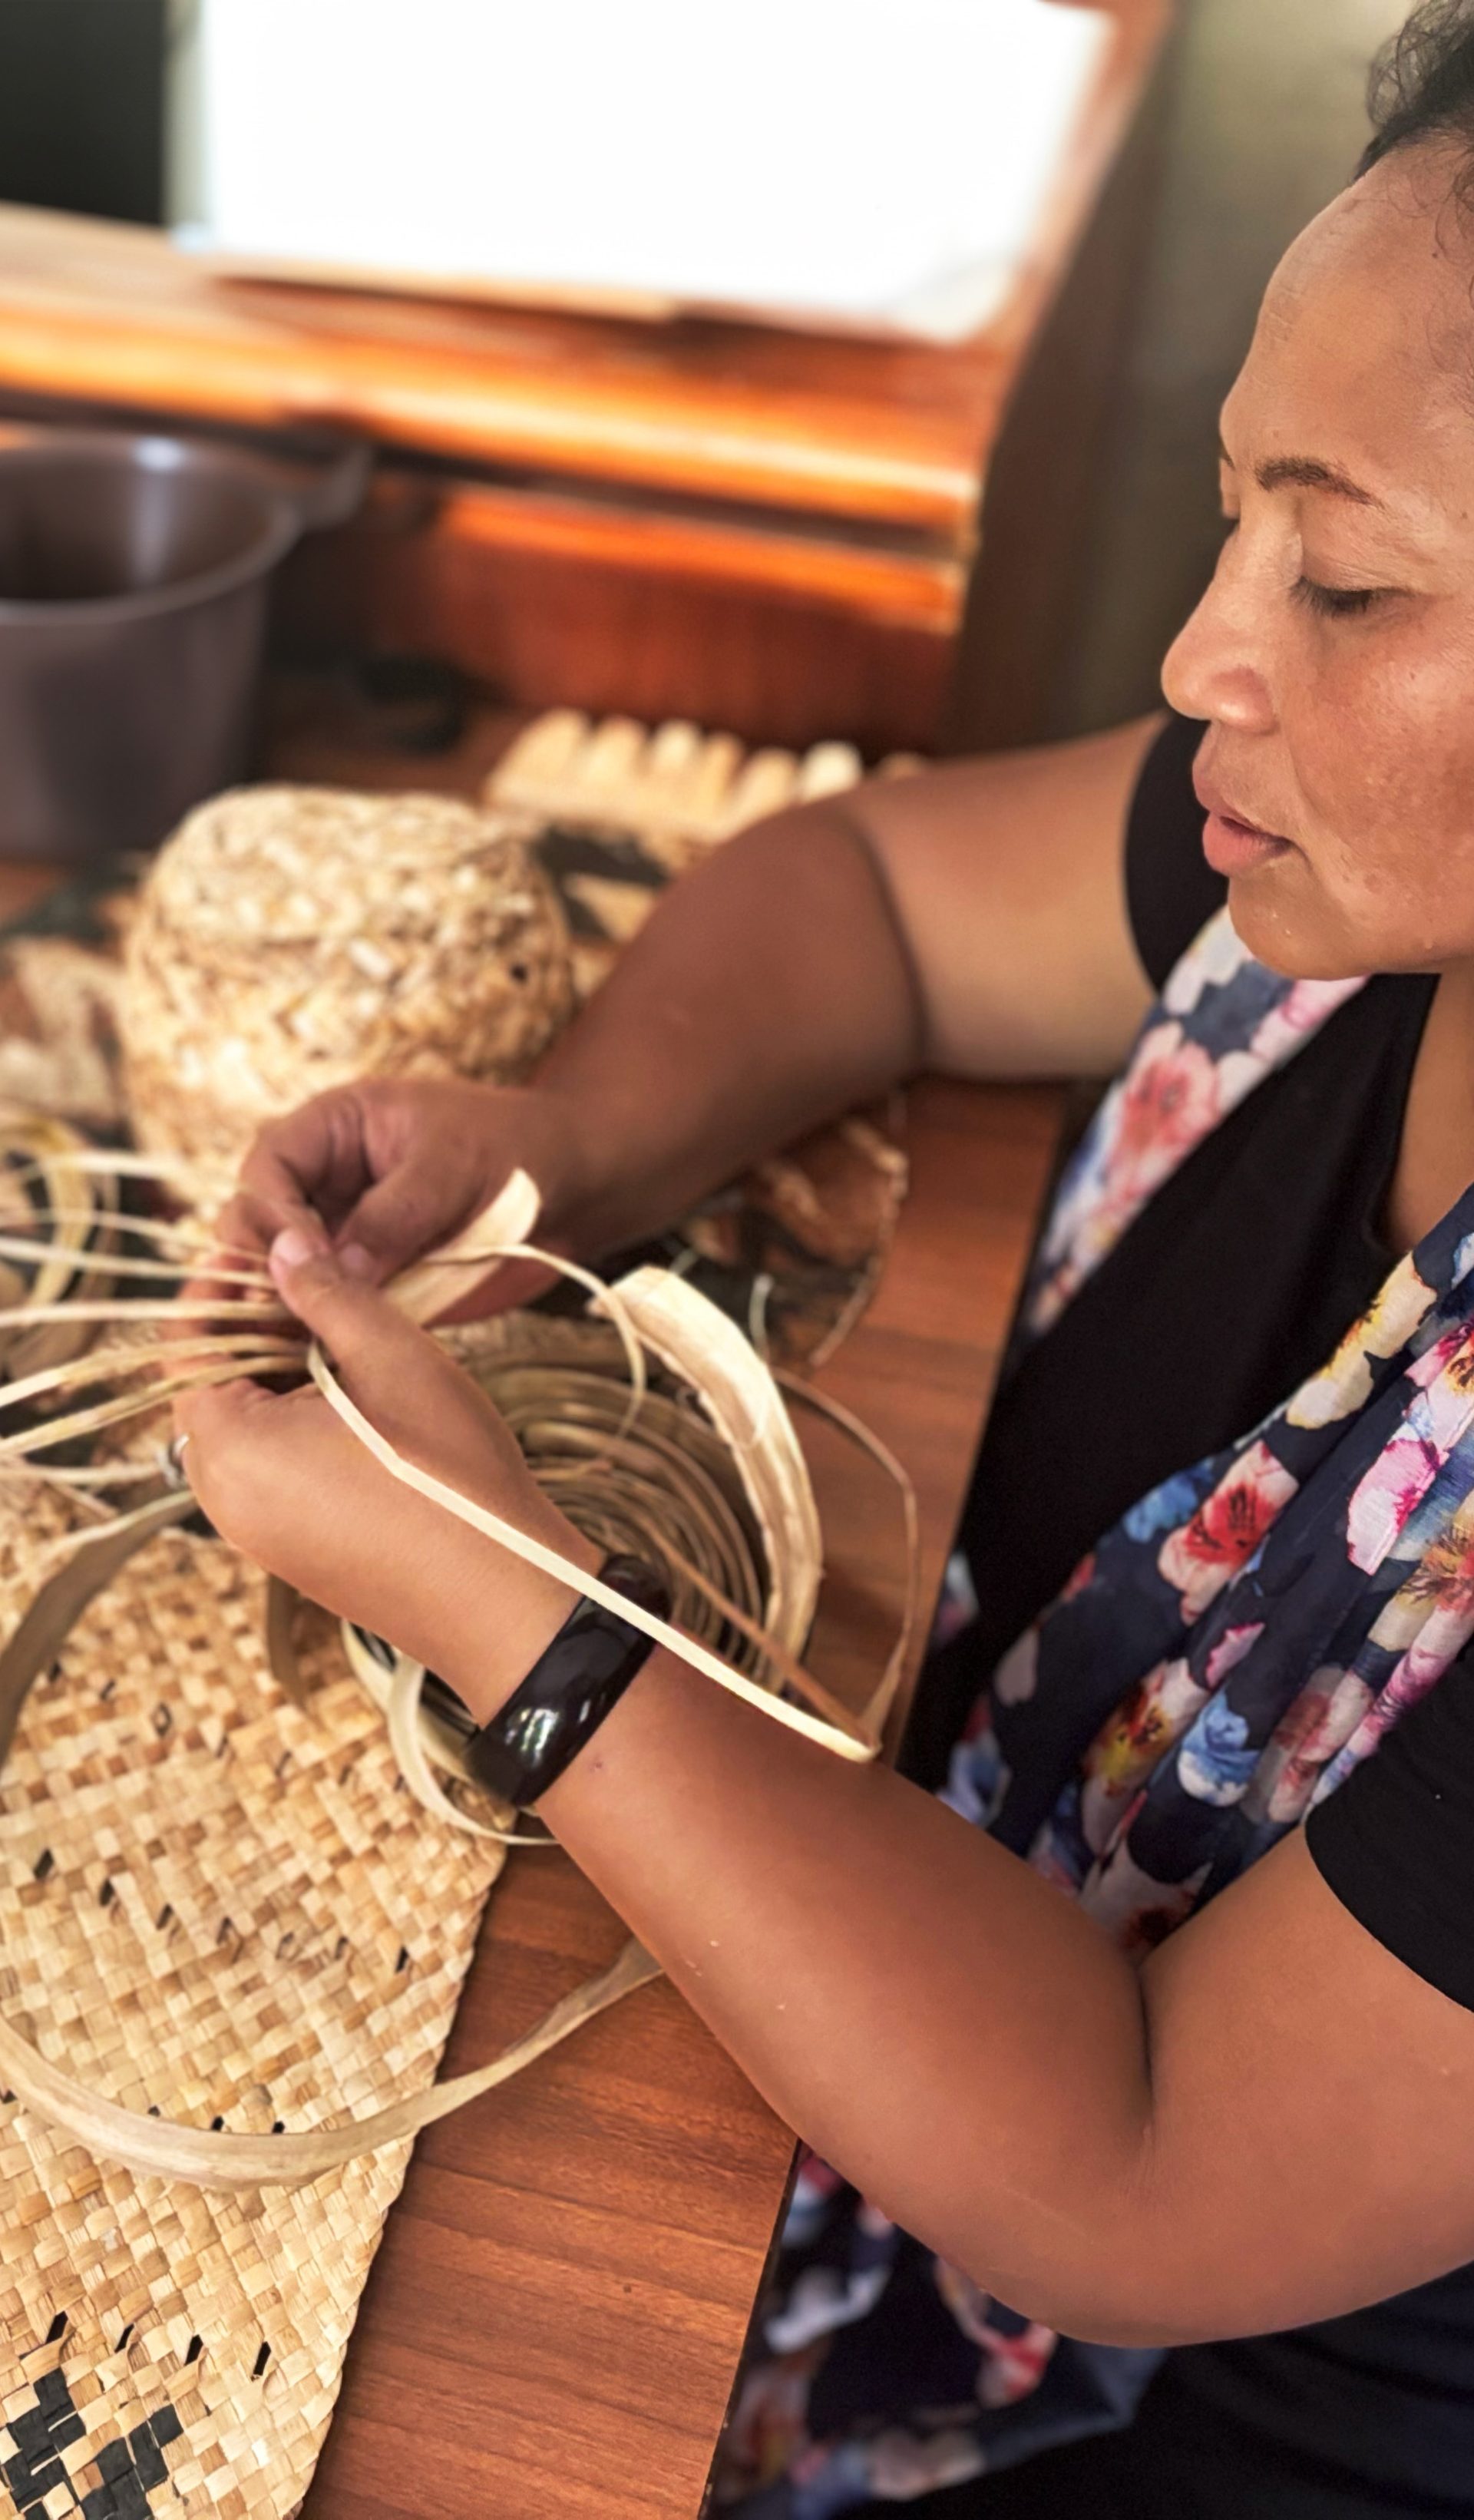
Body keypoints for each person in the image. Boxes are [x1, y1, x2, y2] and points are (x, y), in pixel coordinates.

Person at [170, 5, 1474, 2510]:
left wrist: (514, 1604)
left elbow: (1140, 2147)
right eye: (1231, 523)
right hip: (899, 1916)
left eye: (1341, 573)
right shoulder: (1325, 888)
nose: (1210, 650)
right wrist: (570, 1144)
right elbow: (874, 891)